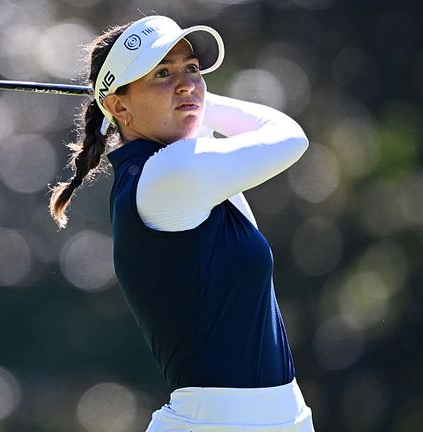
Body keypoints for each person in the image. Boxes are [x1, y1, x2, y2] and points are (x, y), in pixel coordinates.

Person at [49, 15, 314, 432]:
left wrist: (188, 97)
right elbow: (289, 136)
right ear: (119, 107)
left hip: (282, 420)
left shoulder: (177, 167)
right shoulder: (168, 174)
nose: (186, 83)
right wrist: (200, 100)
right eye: (162, 74)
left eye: (192, 69)